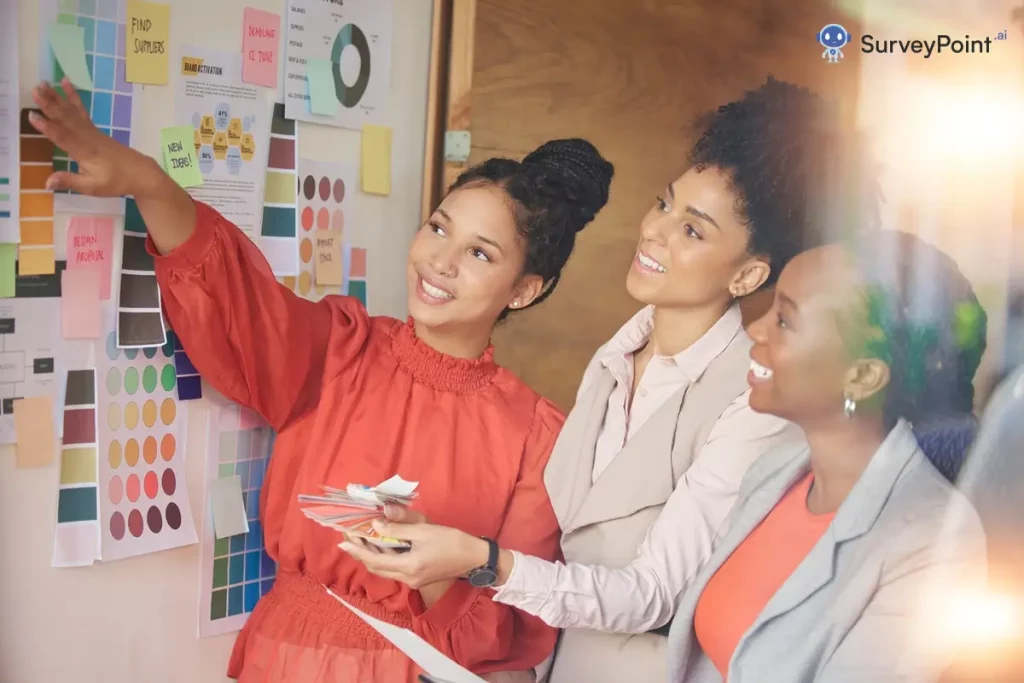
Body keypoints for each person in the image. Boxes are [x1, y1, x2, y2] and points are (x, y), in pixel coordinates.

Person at [28, 78, 614, 682]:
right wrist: (148, 183)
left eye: (480, 253)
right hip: (285, 658)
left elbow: (513, 631)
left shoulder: (537, 436)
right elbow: (238, 301)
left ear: (524, 289)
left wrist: (436, 568)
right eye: (438, 228)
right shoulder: (341, 346)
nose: (440, 261)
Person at [343, 77, 880, 682]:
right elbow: (569, 546)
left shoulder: (751, 403)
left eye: (693, 229)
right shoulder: (614, 359)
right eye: (664, 203)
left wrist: (483, 561)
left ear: (748, 274)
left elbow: (652, 594)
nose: (654, 230)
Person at [664, 231, 989, 681]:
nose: (756, 328)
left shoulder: (932, 544)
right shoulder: (773, 472)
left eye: (784, 320)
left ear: (862, 376)